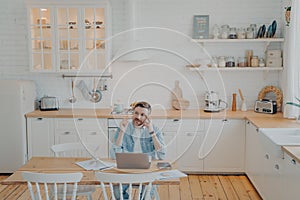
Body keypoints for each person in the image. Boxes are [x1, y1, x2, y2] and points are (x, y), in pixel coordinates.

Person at [110, 101, 166, 199]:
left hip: (147, 172)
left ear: (148, 117)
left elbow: (162, 155)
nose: (138, 117)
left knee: (146, 195)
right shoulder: (124, 126)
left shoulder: (155, 129)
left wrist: (152, 132)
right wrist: (122, 131)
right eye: (136, 113)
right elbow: (114, 155)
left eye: (142, 115)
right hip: (126, 171)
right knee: (117, 191)